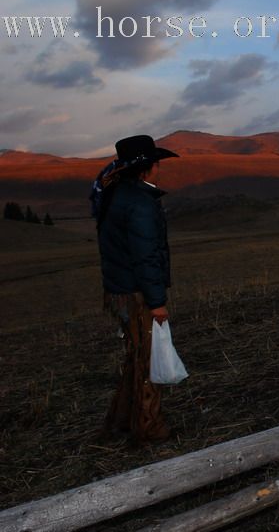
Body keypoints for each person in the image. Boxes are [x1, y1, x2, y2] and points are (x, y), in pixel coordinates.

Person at [90, 134, 179, 444]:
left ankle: (121, 423)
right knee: (147, 359)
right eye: (156, 163)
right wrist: (157, 302)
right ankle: (148, 427)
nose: (158, 168)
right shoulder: (139, 202)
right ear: (146, 169)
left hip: (120, 290)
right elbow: (145, 256)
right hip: (136, 292)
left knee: (136, 357)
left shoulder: (115, 194)